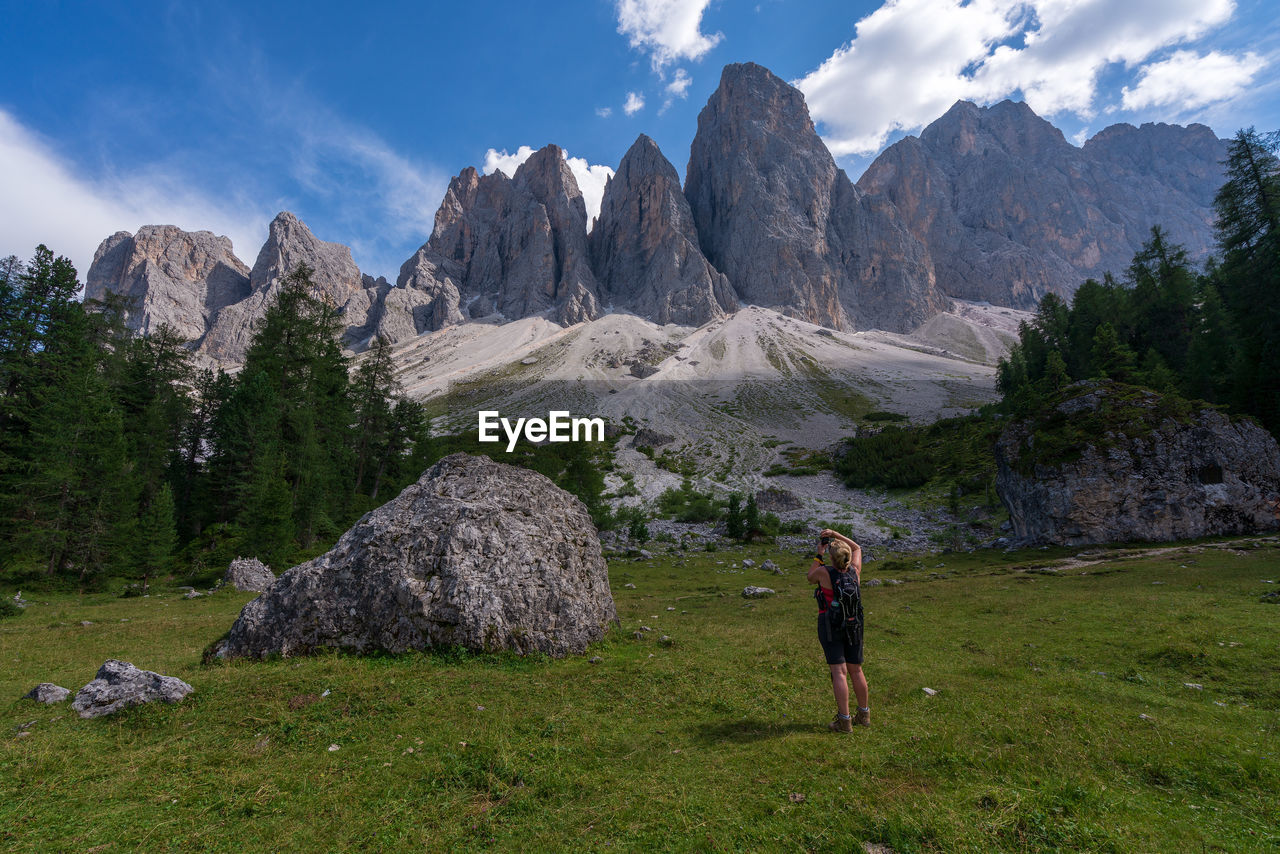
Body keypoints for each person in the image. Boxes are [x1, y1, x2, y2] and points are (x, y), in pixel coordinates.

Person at [807, 528, 869, 732]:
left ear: (832, 559)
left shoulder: (824, 572)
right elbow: (857, 547)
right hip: (854, 624)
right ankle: (863, 714)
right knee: (856, 670)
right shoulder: (856, 571)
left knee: (839, 672)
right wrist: (836, 534)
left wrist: (819, 552)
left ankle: (844, 721)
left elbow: (810, 577)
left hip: (830, 625)